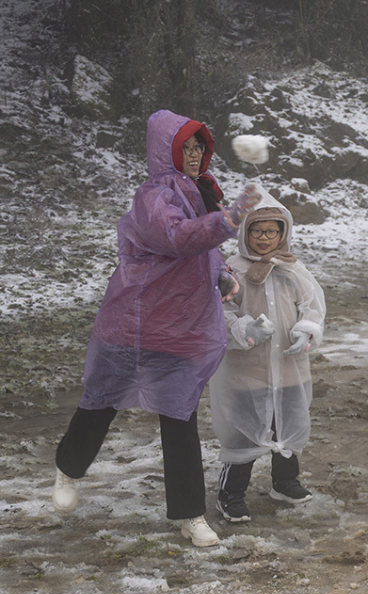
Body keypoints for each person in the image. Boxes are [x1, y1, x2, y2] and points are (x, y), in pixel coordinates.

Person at [51, 109, 260, 547]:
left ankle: (189, 515)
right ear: (164, 149)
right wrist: (228, 221)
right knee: (100, 404)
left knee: (179, 417)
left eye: (199, 145)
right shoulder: (153, 196)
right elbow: (178, 238)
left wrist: (221, 273)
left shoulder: (203, 190)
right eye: (185, 145)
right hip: (136, 323)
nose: (194, 153)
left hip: (182, 327)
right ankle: (68, 469)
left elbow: (201, 252)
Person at [209, 188, 325, 523]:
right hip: (246, 371)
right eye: (257, 231)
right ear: (246, 233)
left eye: (271, 231)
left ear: (282, 233)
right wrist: (242, 328)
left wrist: (307, 329)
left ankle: (285, 481)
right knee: (244, 431)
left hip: (289, 368)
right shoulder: (231, 270)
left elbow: (313, 306)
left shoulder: (293, 269)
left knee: (286, 425)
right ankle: (231, 494)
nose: (264, 238)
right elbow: (219, 310)